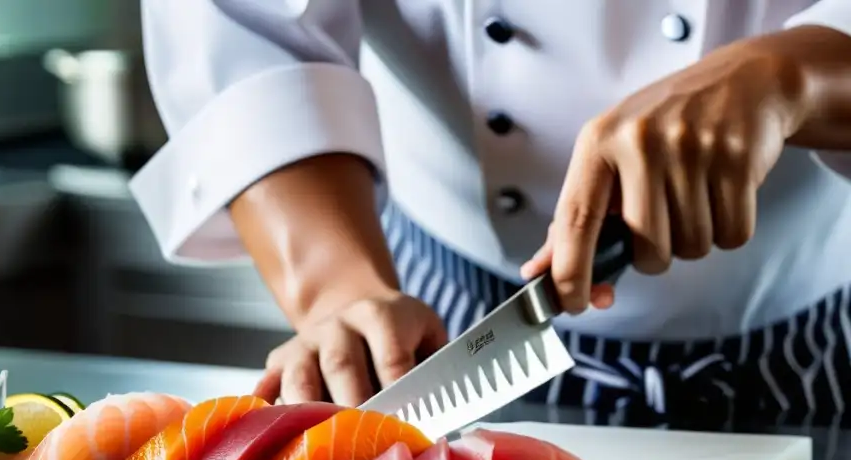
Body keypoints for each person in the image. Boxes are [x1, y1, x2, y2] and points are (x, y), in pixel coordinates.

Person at [129, 2, 851, 425]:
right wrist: (339, 296)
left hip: (815, 348)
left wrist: (800, 71)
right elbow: (249, 32)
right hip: (438, 329)